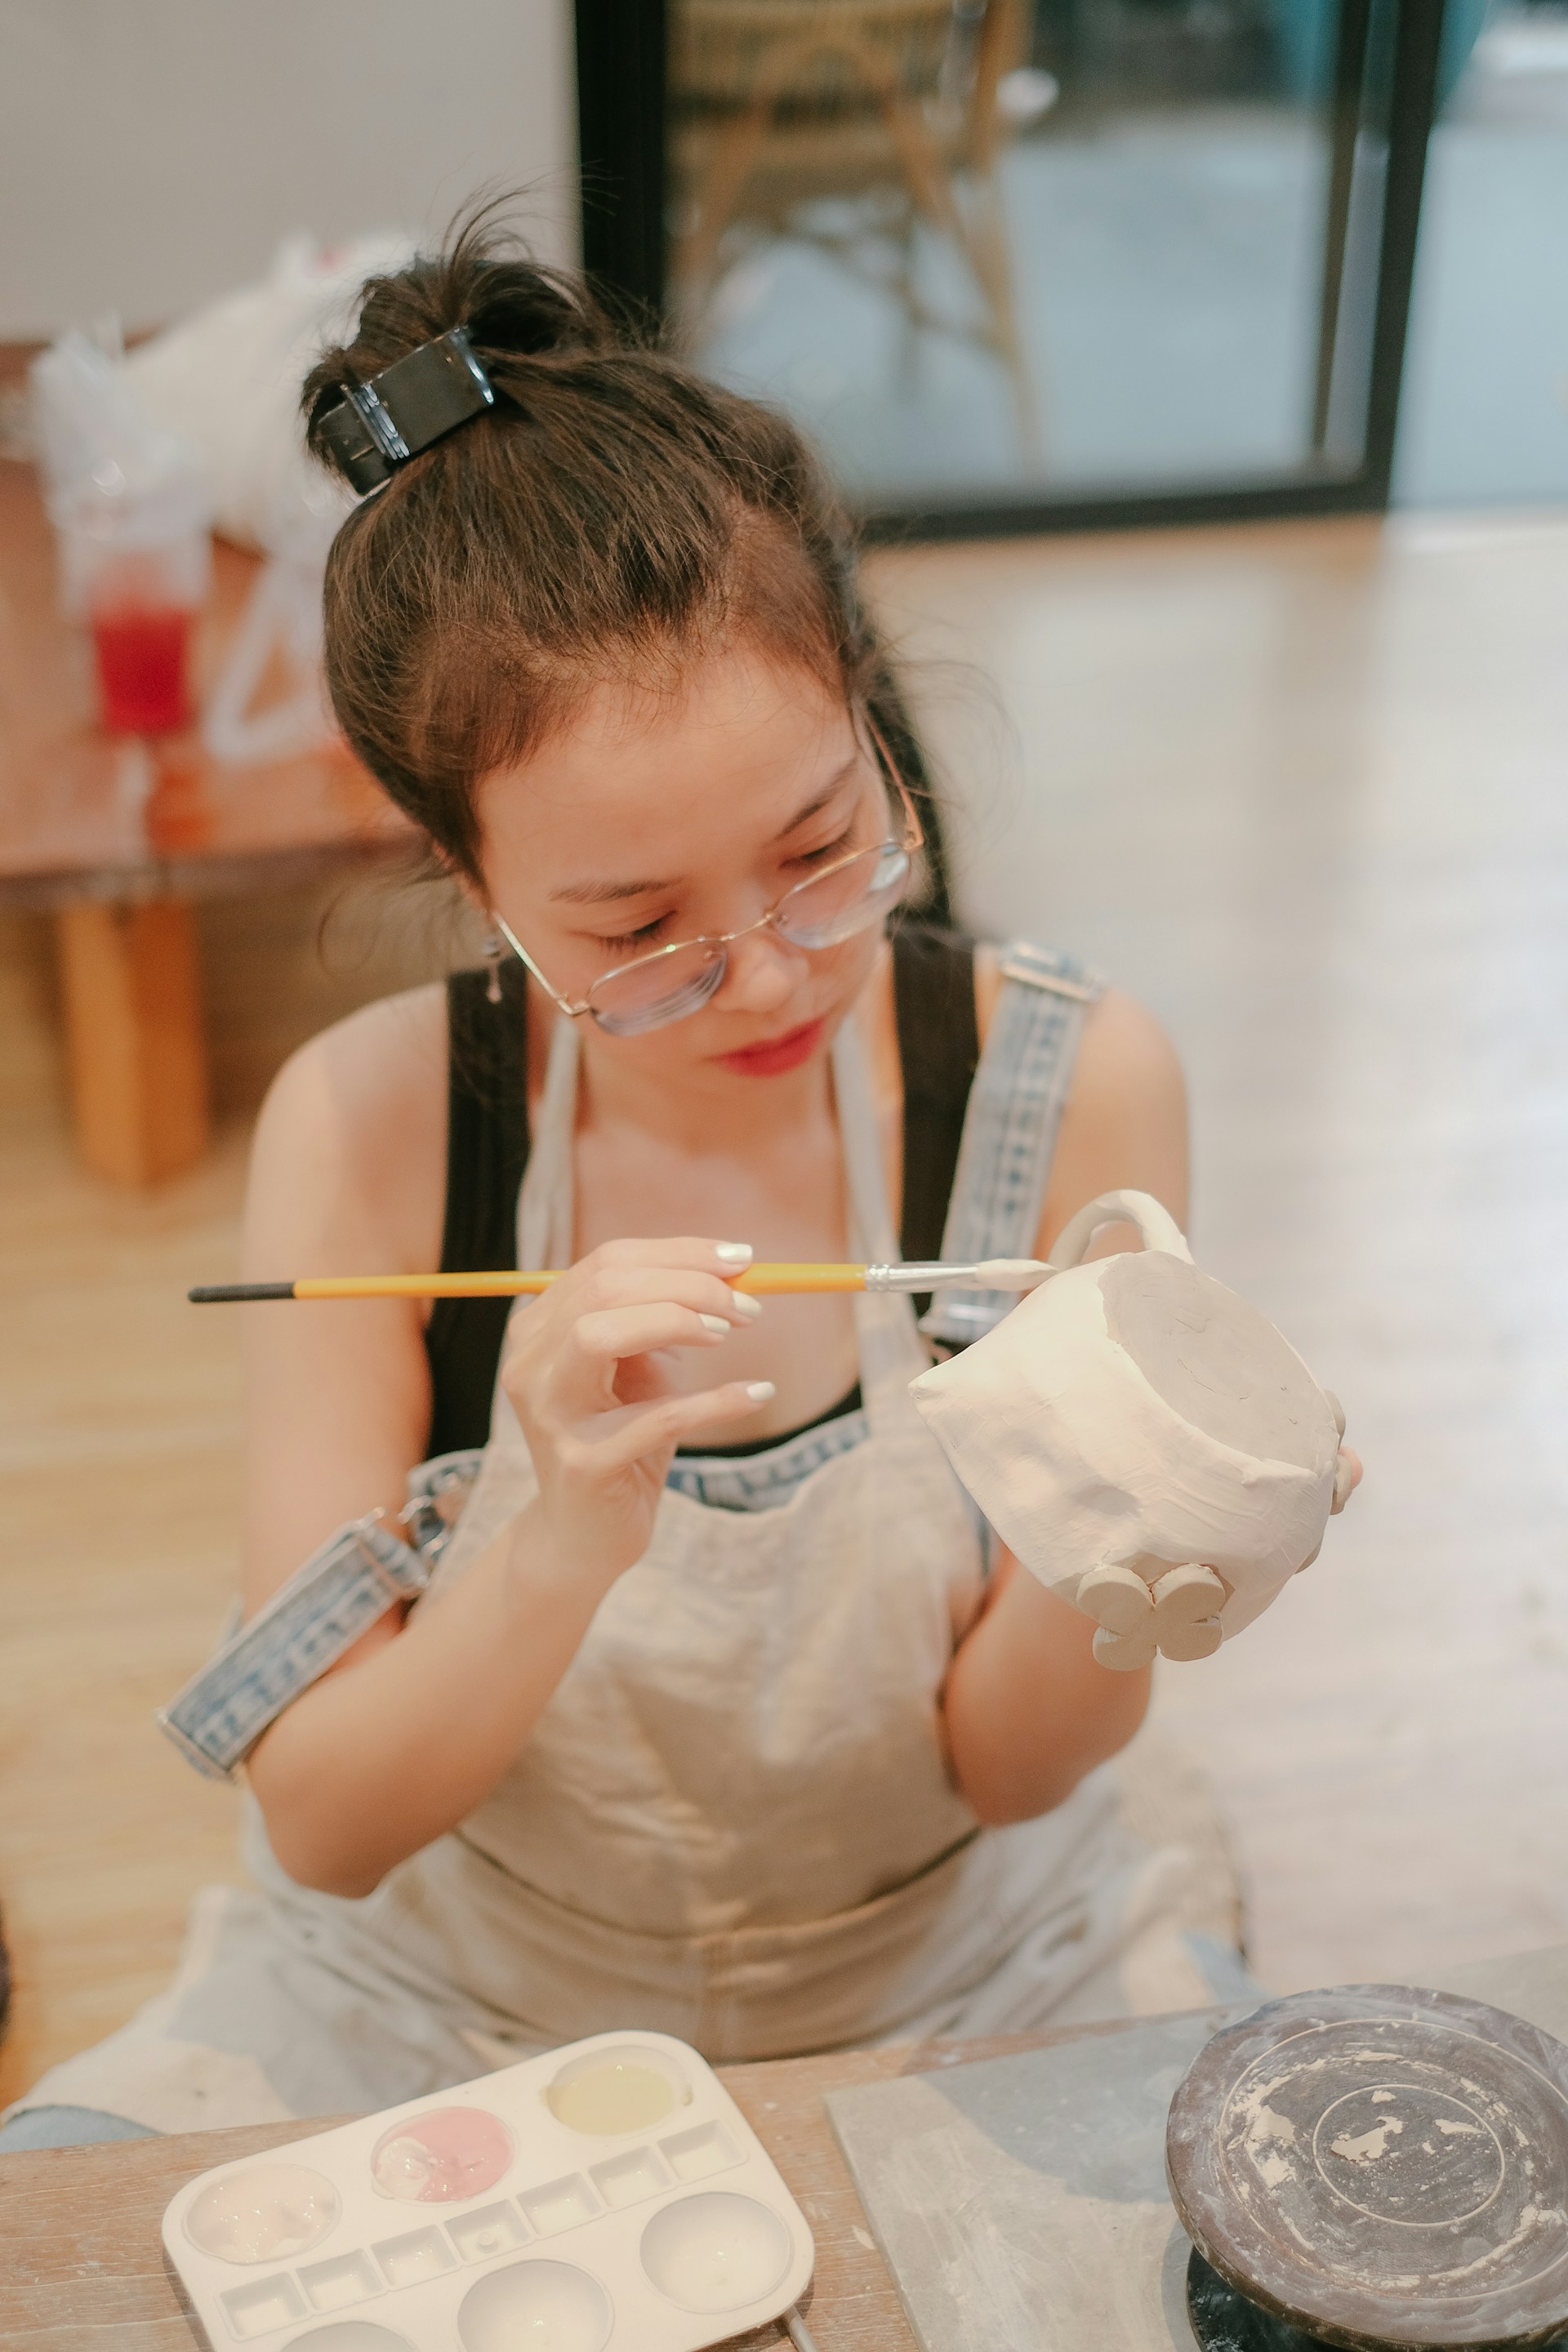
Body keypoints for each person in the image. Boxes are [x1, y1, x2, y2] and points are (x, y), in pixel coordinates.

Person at [1, 212, 1233, 2152]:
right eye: (638, 925)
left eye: (824, 846)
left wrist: (1156, 1542)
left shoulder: (1064, 1090)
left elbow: (1003, 1772)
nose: (770, 973)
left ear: (870, 722)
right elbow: (325, 1828)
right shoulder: (377, 1130)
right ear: (470, 884)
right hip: (461, 1992)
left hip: (966, 1964)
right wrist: (555, 1529)